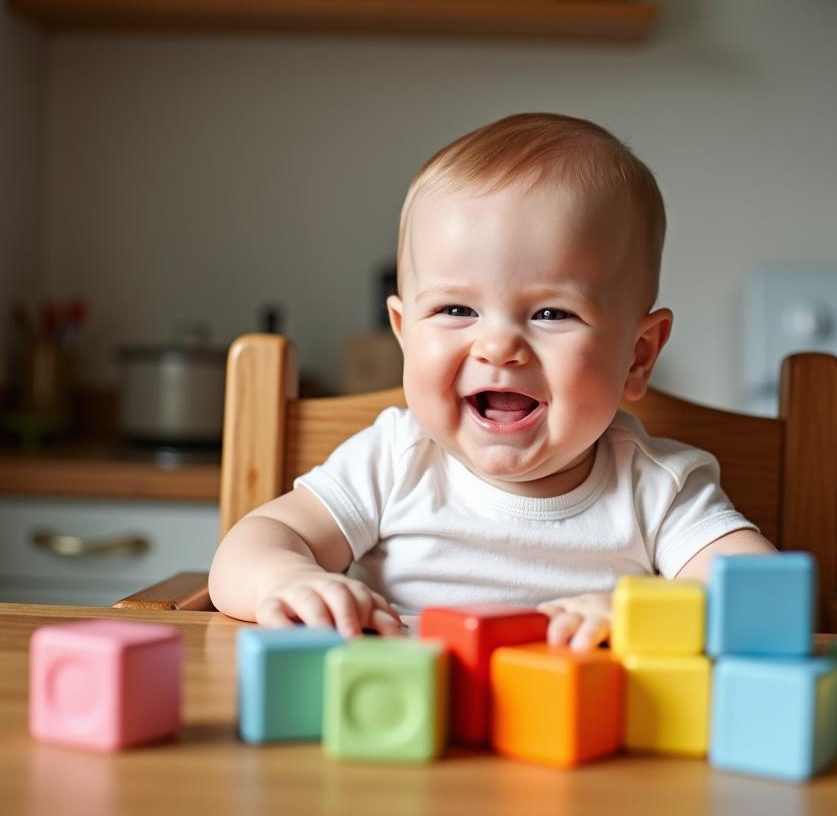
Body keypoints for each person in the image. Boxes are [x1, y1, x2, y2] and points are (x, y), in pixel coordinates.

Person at [208, 113, 774, 649]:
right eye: (456, 309)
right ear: (405, 334)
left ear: (637, 356)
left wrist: (642, 614)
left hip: (574, 742)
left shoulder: (655, 488)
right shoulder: (395, 461)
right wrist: (286, 581)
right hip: (407, 730)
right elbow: (245, 552)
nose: (498, 346)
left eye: (551, 313)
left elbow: (758, 589)